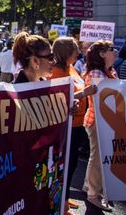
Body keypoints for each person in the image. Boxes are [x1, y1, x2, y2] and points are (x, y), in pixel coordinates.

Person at [50, 37, 98, 212]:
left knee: (73, 164)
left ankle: (65, 197)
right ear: (66, 52)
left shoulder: (71, 69)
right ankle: (60, 202)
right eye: (75, 49)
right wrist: (83, 94)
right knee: (65, 165)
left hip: (77, 125)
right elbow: (57, 98)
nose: (78, 52)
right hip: (65, 125)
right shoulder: (55, 71)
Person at [82, 40, 117, 211]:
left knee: (98, 158)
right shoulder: (96, 73)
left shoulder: (107, 71)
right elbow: (107, 97)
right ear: (102, 54)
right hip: (97, 121)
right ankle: (93, 195)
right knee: (96, 158)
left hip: (104, 121)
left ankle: (91, 188)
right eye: (111, 49)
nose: (115, 52)